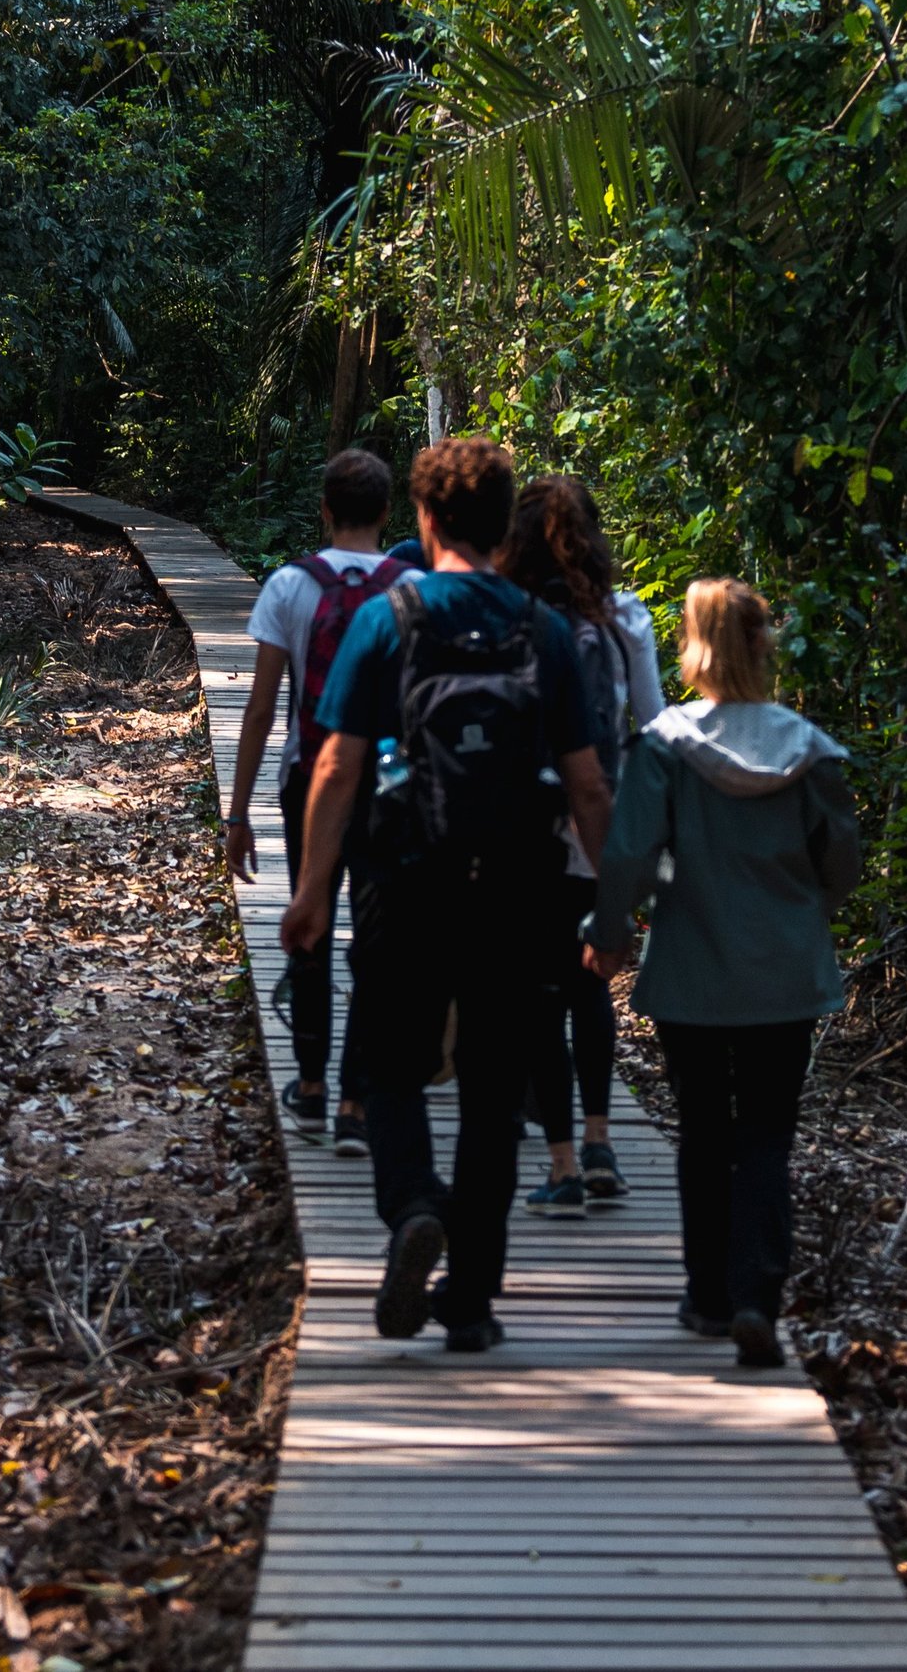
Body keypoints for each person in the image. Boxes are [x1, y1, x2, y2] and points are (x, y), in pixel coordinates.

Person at [286, 436, 612, 1354]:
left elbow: (338, 764)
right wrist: (617, 907)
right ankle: (469, 1299)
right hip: (518, 890)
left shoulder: (386, 619)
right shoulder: (539, 627)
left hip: (404, 880)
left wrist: (313, 890)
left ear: (423, 519)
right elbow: (587, 785)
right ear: (502, 522)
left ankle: (411, 1208)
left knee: (391, 1069)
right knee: (492, 1092)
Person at [585, 578, 864, 1369]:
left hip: (692, 971)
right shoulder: (808, 748)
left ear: (693, 646)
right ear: (762, 645)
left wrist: (607, 933)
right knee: (767, 1135)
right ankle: (757, 1299)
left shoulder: (665, 745)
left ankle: (706, 1295)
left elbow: (630, 854)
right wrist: (801, 909)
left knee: (704, 1130)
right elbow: (839, 863)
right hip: (784, 973)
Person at [223, 448, 421, 1154]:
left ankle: (308, 1084)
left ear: (324, 510)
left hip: (307, 776)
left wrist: (237, 812)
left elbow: (257, 710)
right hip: (388, 786)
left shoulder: (288, 585)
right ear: (387, 513)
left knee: (309, 920)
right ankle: (354, 1102)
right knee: (375, 943)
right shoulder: (412, 587)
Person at [493, 476, 665, 1218]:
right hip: (605, 822)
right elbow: (653, 723)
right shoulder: (626, 615)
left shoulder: (509, 616)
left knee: (538, 994)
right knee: (591, 980)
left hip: (524, 825)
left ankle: (560, 1162)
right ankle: (600, 1143)